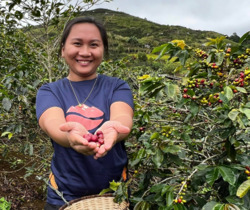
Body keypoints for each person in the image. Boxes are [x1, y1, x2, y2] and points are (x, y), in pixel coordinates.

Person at [36, 16, 134, 210]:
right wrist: (68, 136)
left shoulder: (117, 86)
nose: (85, 52)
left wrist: (115, 130)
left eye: (94, 45)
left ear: (103, 50)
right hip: (63, 195)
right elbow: (52, 122)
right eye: (77, 43)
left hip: (114, 195)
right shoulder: (50, 91)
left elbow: (122, 116)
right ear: (63, 49)